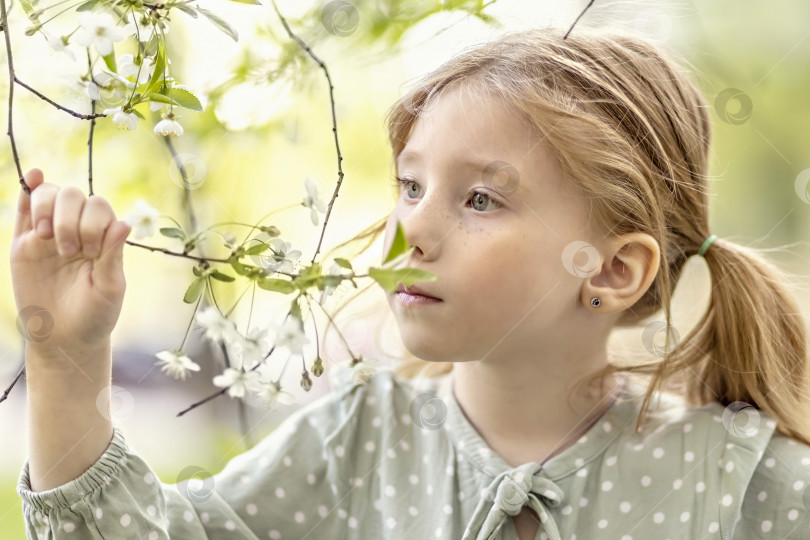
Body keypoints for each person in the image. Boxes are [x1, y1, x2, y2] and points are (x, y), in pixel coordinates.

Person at [10, 26, 810, 540]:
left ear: (612, 269)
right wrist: (65, 363)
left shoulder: (735, 479)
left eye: (481, 199)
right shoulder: (357, 440)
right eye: (411, 186)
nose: (412, 229)